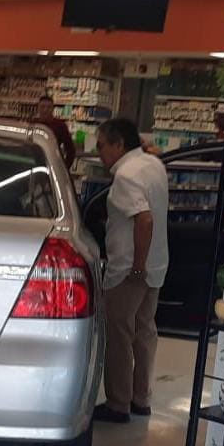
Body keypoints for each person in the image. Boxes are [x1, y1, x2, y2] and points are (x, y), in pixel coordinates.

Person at [94, 117, 169, 424]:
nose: (99, 153)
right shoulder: (154, 165)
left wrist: (136, 266)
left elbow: (145, 220)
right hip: (157, 264)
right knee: (144, 331)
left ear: (118, 144)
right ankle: (141, 398)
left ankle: (118, 403)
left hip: (129, 269)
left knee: (119, 334)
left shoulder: (125, 175)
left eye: (101, 146)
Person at [35, 95, 77, 168]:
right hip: (34, 162)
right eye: (42, 107)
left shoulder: (60, 126)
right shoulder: (33, 124)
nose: (45, 110)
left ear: (53, 109)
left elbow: (70, 150)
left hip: (52, 163)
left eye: (48, 107)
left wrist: (65, 168)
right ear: (38, 108)